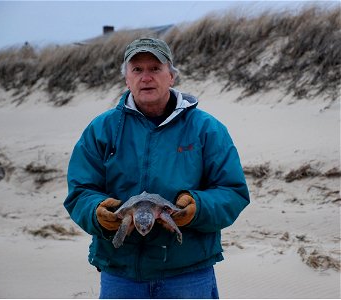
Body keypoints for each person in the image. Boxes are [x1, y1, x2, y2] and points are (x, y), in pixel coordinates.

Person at [64, 37, 250, 299]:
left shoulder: (206, 129)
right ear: (127, 79)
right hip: (121, 273)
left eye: (155, 68)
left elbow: (233, 191)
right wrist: (96, 212)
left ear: (171, 76)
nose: (146, 77)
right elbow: (80, 190)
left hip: (188, 272)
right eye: (137, 70)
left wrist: (197, 207)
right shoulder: (102, 129)